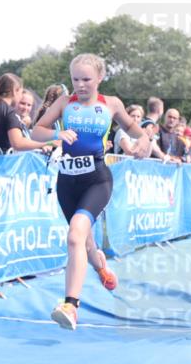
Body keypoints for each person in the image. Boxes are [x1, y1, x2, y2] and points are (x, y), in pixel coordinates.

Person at [31, 53, 150, 331]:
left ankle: (70, 306)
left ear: (100, 78)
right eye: (75, 79)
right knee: (85, 242)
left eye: (86, 79)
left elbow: (135, 130)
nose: (80, 85)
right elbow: (36, 131)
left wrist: (144, 139)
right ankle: (100, 266)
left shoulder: (111, 104)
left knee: (75, 235)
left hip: (97, 180)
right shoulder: (64, 103)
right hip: (67, 182)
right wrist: (56, 135)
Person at [0, 73, 58, 153]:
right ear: (15, 91)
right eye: (21, 92)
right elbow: (18, 143)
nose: (21, 96)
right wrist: (44, 144)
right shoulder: (9, 113)